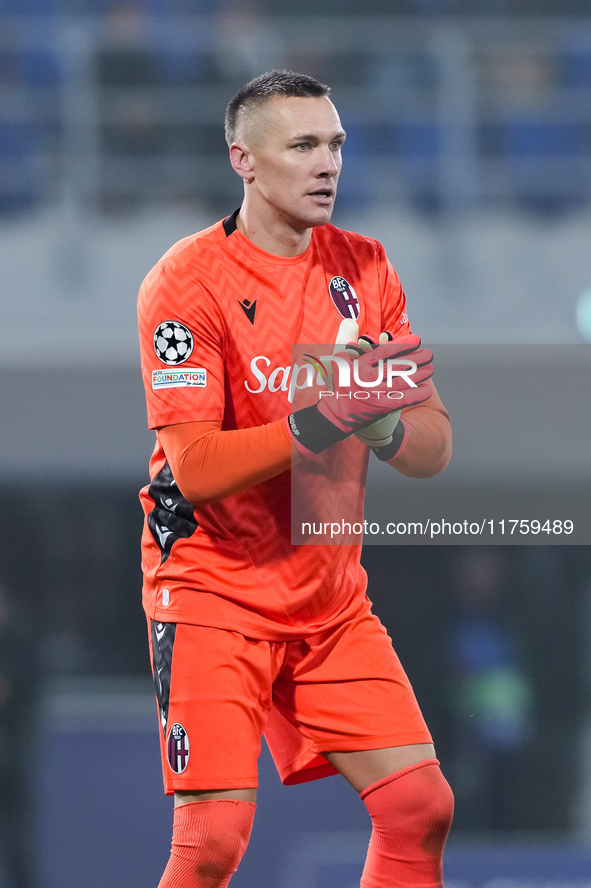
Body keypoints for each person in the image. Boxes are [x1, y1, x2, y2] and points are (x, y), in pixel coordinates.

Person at [137, 69, 454, 888]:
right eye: (303, 145)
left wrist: (379, 419)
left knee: (419, 806)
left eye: (336, 144)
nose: (327, 165)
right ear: (243, 159)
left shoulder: (365, 269)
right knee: (211, 844)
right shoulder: (188, 282)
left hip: (327, 597)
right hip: (213, 588)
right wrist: (328, 416)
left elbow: (431, 446)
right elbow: (196, 469)